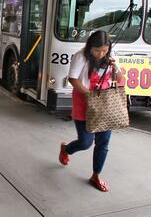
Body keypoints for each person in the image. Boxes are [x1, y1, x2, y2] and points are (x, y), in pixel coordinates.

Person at [59, 30, 124, 192]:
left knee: (103, 143)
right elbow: (73, 79)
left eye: (104, 50)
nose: (100, 54)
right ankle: (66, 149)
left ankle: (96, 176)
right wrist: (89, 96)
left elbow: (121, 80)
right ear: (90, 47)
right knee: (85, 142)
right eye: (97, 50)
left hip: (104, 103)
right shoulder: (80, 56)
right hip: (84, 101)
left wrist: (115, 66)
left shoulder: (110, 56)